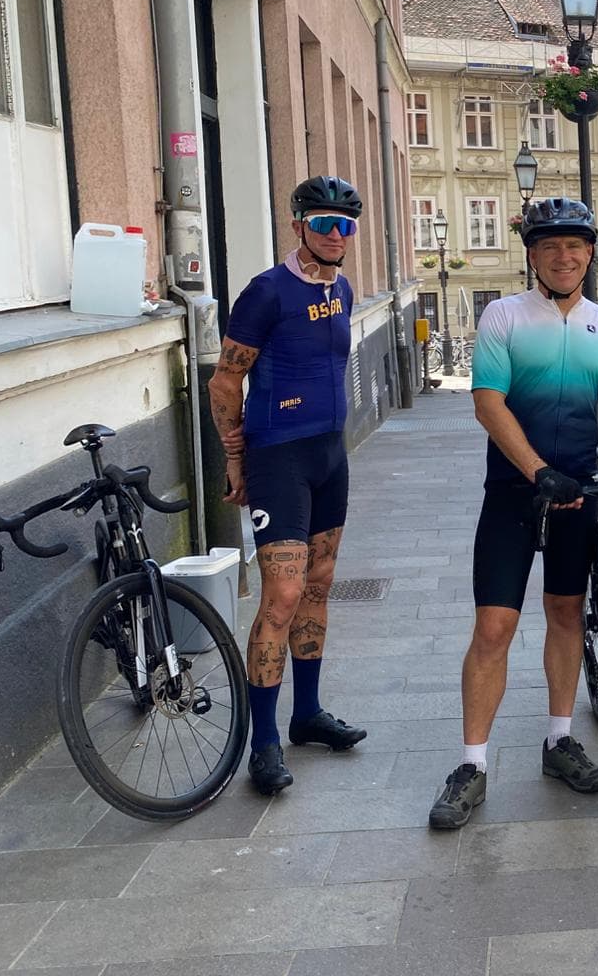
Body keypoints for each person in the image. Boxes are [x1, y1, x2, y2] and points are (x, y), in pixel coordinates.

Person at [428, 198, 598, 829]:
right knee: (494, 627)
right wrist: (534, 469)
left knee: (567, 613)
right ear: (533, 256)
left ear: (590, 254)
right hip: (516, 493)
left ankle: (559, 739)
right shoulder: (504, 316)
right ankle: (472, 765)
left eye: (575, 247)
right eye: (551, 247)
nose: (565, 257)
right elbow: (488, 403)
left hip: (579, 495)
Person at [210, 176, 370, 796]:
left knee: (321, 585)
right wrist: (234, 457)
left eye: (346, 225)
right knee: (281, 594)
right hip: (277, 456)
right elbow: (225, 383)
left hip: (331, 453)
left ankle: (306, 716)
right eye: (324, 223)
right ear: (298, 224)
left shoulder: (345, 287)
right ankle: (264, 741)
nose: (336, 235)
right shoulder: (266, 293)